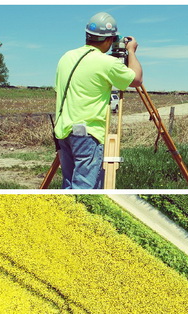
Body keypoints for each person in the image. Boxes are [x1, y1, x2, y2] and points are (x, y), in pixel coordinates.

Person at [54, 12, 143, 189]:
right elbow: (136, 80)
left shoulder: (66, 57)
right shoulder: (107, 63)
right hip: (87, 134)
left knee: (69, 185)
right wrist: (130, 52)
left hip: (63, 131)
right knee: (84, 189)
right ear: (109, 40)